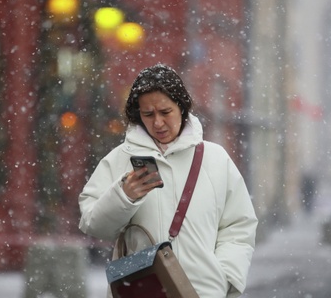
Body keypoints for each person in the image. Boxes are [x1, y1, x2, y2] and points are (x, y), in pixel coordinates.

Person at [78, 63, 258, 298]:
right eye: (148, 114)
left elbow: (238, 226)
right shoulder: (119, 160)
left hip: (203, 293)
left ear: (182, 108)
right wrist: (123, 196)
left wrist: (225, 278)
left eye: (165, 112)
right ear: (137, 115)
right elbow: (92, 224)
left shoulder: (216, 160)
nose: (158, 123)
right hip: (144, 292)